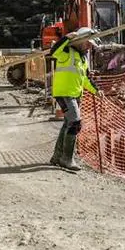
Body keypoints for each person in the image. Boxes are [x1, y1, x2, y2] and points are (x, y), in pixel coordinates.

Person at [48, 27, 103, 171]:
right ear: (78, 41)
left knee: (68, 123)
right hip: (65, 94)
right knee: (75, 123)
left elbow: (85, 79)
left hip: (75, 94)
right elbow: (53, 52)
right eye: (87, 43)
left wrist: (96, 91)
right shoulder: (66, 52)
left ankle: (57, 156)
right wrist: (66, 38)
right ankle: (67, 159)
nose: (89, 47)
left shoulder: (83, 59)